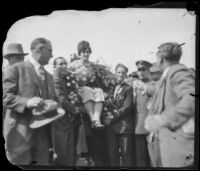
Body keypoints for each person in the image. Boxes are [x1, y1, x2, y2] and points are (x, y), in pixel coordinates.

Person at [3, 38, 57, 165]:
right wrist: (26, 102)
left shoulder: (49, 76)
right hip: (19, 132)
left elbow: (54, 100)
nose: (52, 55)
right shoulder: (15, 69)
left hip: (43, 134)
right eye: (50, 51)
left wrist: (55, 105)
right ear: (39, 50)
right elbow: (6, 97)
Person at [144, 42, 195, 167]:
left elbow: (192, 97)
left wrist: (165, 119)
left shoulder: (177, 71)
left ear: (160, 58)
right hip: (165, 144)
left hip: (177, 149)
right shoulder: (167, 75)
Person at [68, 40, 105, 128]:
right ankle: (93, 119)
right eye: (83, 52)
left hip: (90, 87)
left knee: (99, 90)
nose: (86, 54)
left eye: (88, 52)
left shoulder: (92, 65)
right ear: (79, 53)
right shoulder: (73, 65)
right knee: (86, 89)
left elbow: (97, 79)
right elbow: (67, 76)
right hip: (78, 88)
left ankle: (97, 119)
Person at [51, 57, 81, 165]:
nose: (64, 66)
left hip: (67, 121)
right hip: (60, 121)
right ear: (54, 66)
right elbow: (61, 99)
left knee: (69, 153)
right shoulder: (55, 80)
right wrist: (74, 110)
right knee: (62, 153)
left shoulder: (65, 79)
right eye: (60, 64)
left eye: (65, 63)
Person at [103, 63, 134, 167]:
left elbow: (126, 107)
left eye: (123, 73)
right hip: (110, 127)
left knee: (126, 155)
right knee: (112, 155)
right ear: (115, 73)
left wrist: (112, 117)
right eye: (119, 72)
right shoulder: (109, 88)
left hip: (124, 127)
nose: (121, 74)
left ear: (126, 75)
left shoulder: (128, 89)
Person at [132, 60, 153, 167]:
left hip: (151, 126)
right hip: (138, 126)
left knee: (153, 157)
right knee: (140, 157)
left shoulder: (154, 84)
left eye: (143, 69)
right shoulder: (133, 84)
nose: (140, 72)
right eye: (138, 70)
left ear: (149, 70)